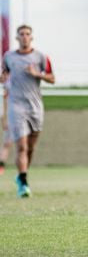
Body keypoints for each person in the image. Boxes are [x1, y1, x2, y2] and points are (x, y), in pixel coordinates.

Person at [0, 25, 55, 197]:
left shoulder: (40, 57)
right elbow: (4, 75)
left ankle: (21, 176)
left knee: (31, 148)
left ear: (32, 37)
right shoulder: (9, 56)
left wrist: (37, 74)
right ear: (17, 38)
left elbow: (52, 78)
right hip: (17, 106)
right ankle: (23, 184)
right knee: (21, 147)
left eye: (27, 34)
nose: (24, 37)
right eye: (21, 35)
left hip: (35, 106)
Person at [0, 83, 12, 175]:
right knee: (7, 143)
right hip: (10, 117)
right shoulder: (8, 88)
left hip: (21, 117)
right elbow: (5, 101)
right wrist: (4, 118)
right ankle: (1, 166)